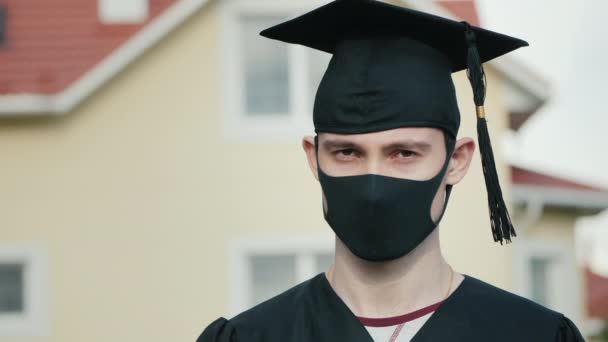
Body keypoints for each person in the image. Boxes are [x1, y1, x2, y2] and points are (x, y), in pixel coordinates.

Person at [197, 0, 585, 341]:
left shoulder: (532, 334)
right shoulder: (249, 337)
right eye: (347, 152)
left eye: (404, 153)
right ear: (313, 158)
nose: (373, 184)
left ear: (457, 160)